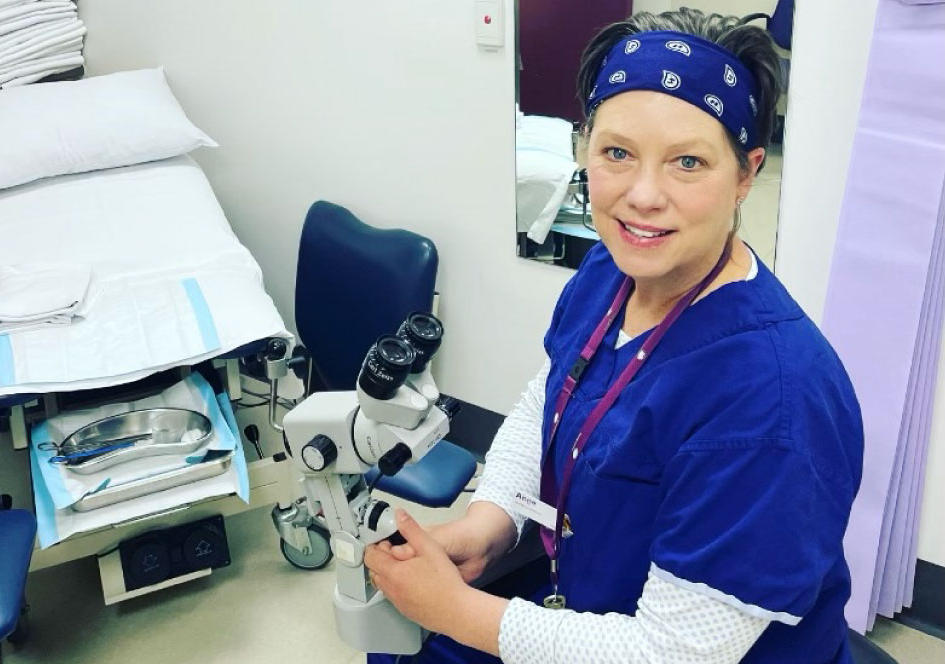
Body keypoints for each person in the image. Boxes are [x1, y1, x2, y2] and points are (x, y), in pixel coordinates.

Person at [365, 8, 863, 663]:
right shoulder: (610, 270)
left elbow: (676, 654)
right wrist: (492, 520)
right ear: (584, 147)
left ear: (746, 174)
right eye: (617, 153)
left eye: (688, 162)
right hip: (586, 597)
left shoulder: (771, 402)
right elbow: (549, 394)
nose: (643, 196)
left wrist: (459, 612)